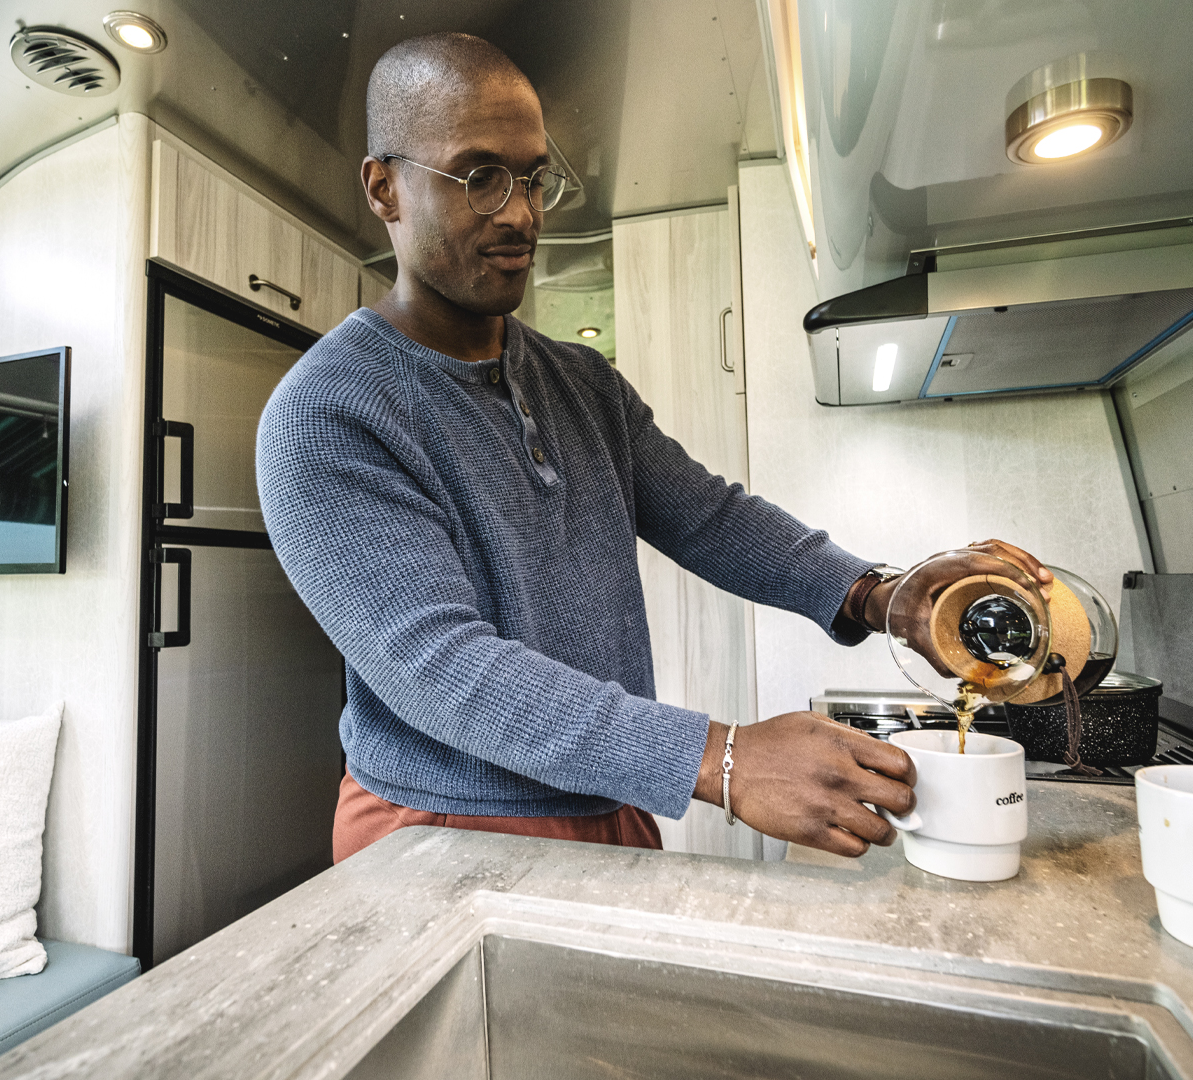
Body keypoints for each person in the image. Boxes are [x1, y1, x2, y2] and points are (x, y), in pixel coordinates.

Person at [255, 32, 1053, 863]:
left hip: (610, 796)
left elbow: (709, 518)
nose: (522, 214)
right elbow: (439, 667)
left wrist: (876, 595)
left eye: (533, 178)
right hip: (437, 825)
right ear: (385, 188)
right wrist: (722, 757)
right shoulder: (327, 413)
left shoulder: (582, 383)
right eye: (480, 177)